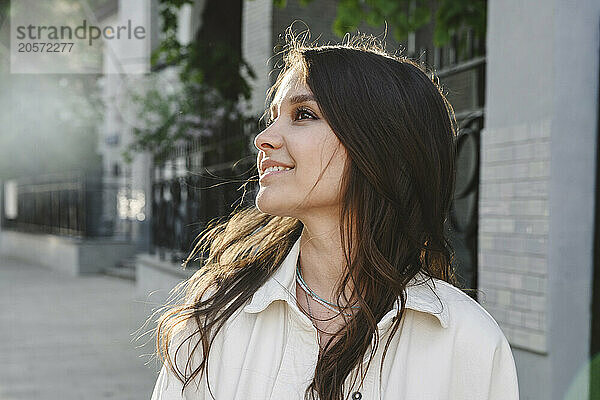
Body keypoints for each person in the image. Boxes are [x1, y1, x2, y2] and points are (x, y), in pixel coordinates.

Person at [150, 30, 519, 400]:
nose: (263, 138)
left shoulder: (466, 341)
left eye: (303, 114)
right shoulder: (216, 312)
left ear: (379, 145)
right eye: (273, 116)